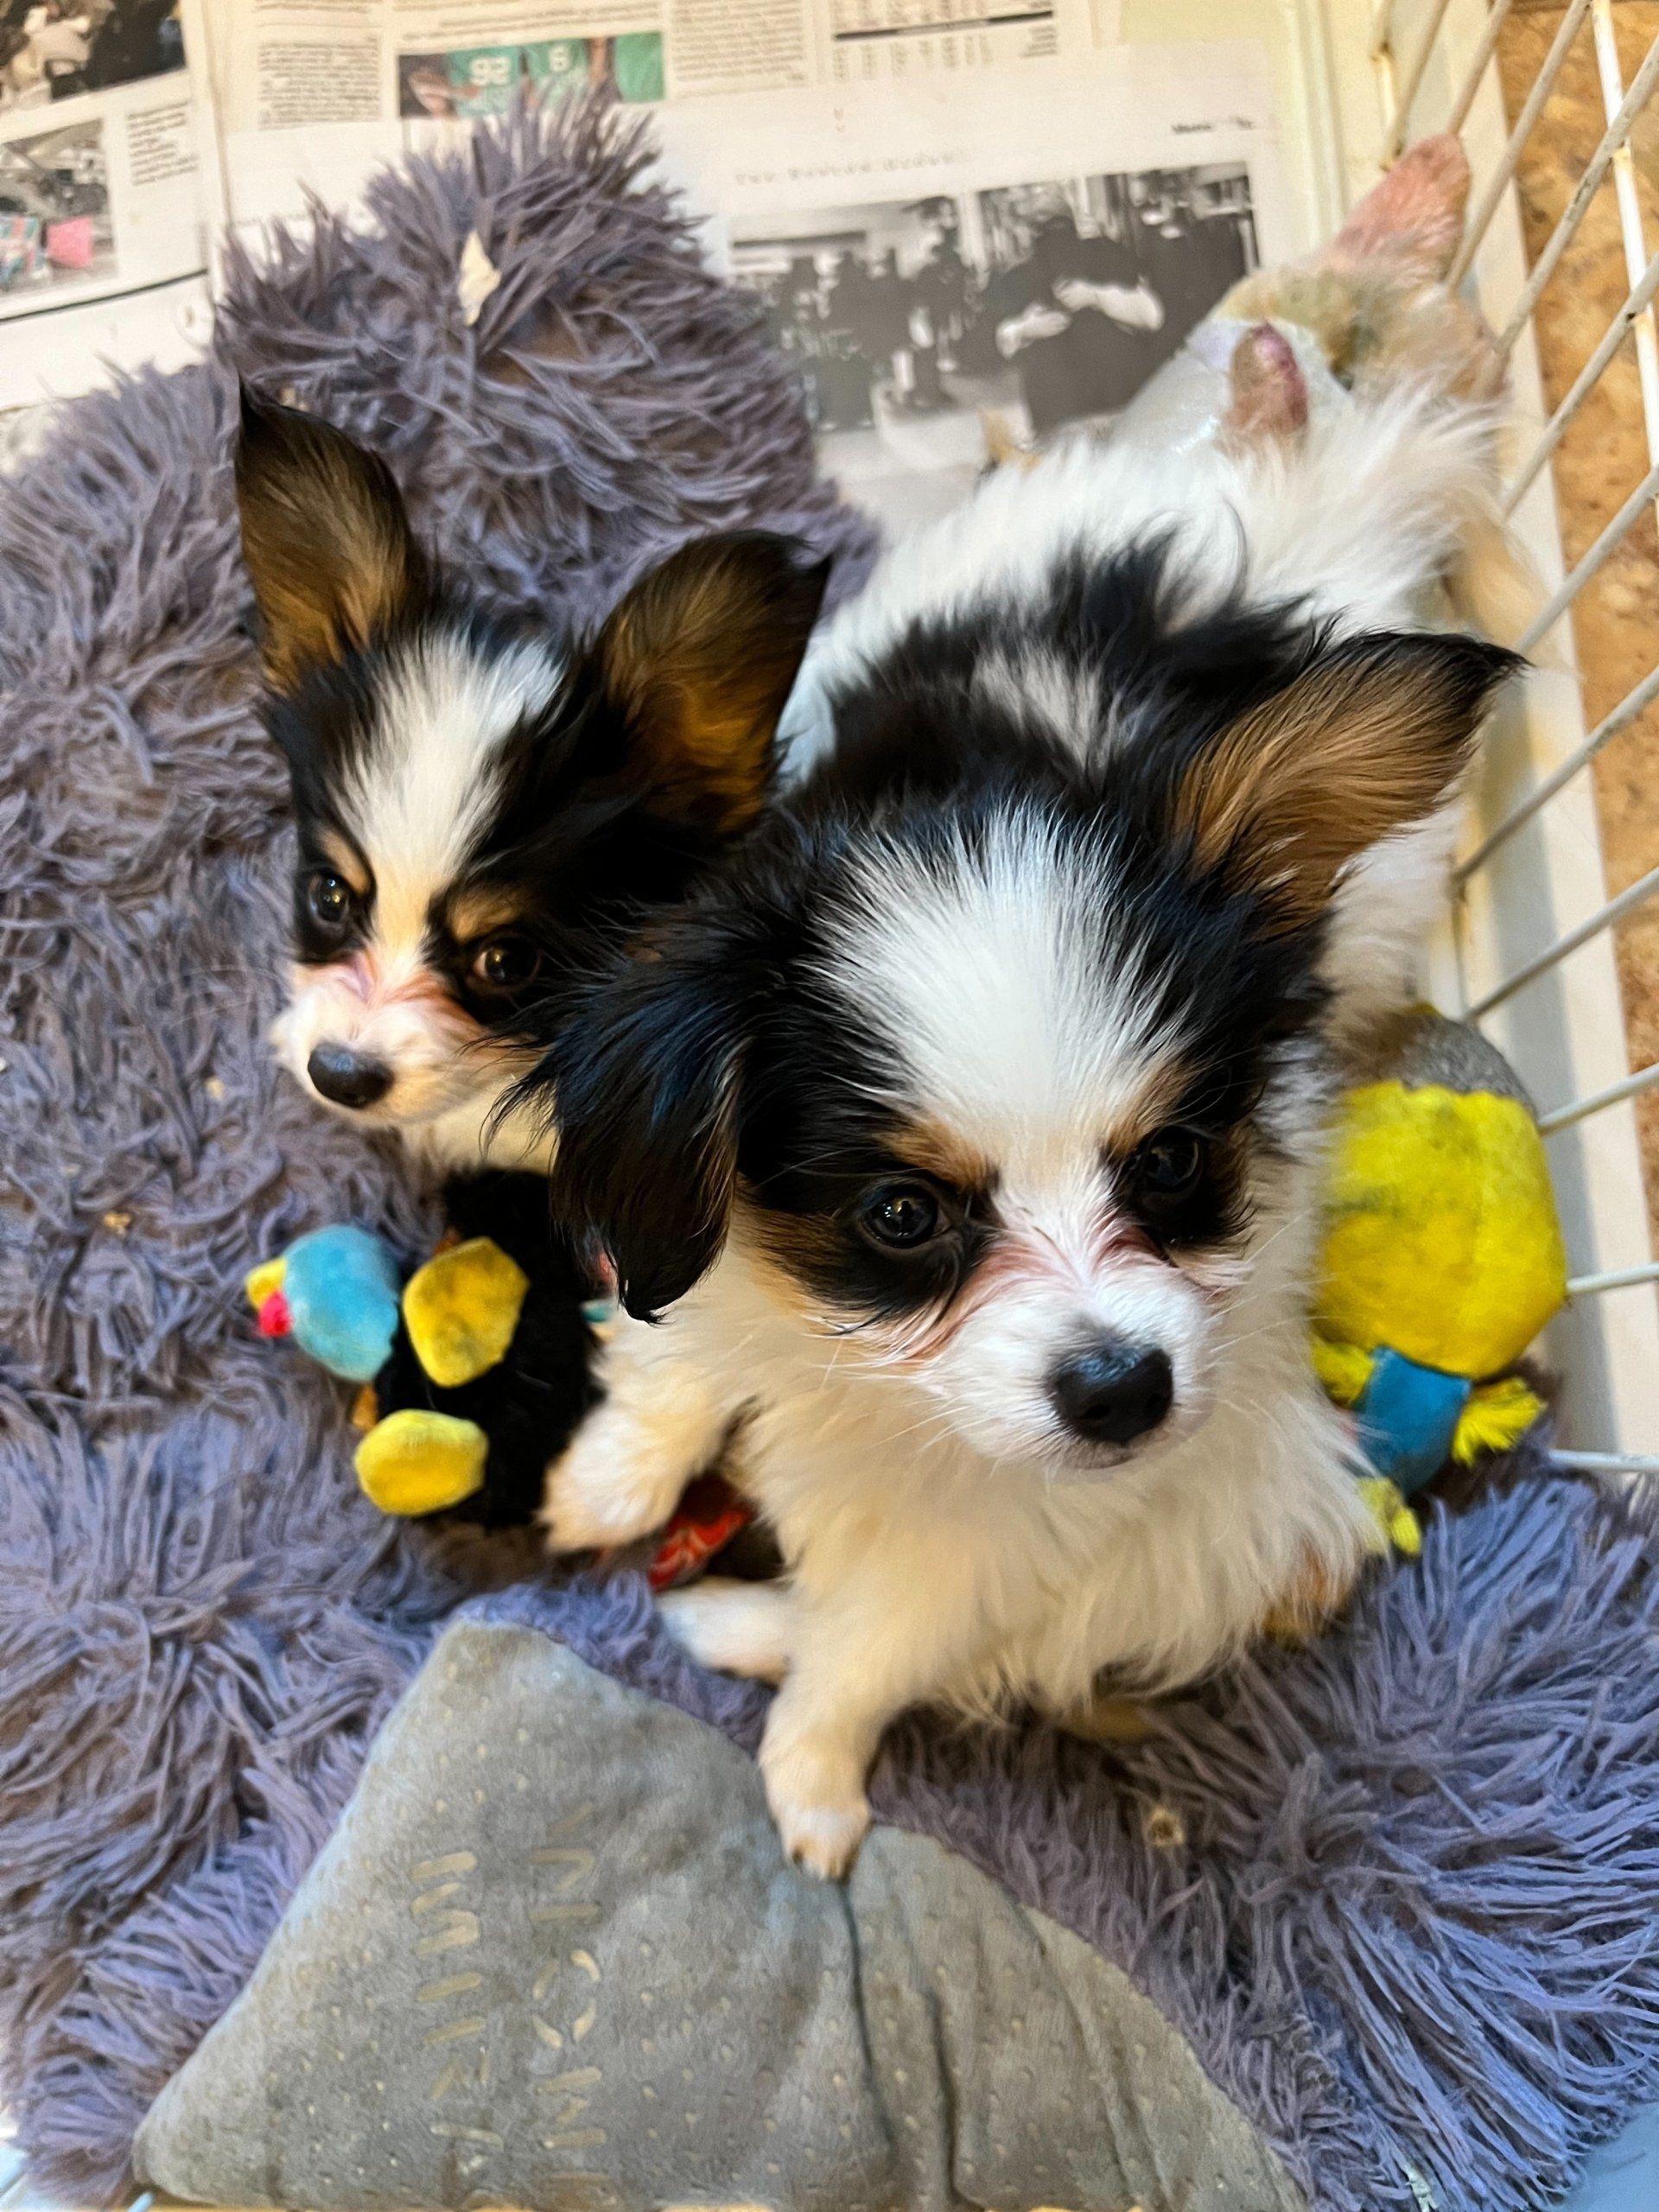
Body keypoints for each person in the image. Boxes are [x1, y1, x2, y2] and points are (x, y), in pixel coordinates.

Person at [988, 207, 1164, 436]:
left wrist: (1096, 295)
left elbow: (1151, 316)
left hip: (1116, 399)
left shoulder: (1109, 260)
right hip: (1059, 411)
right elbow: (1001, 336)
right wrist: (1028, 329)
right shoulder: (1021, 277)